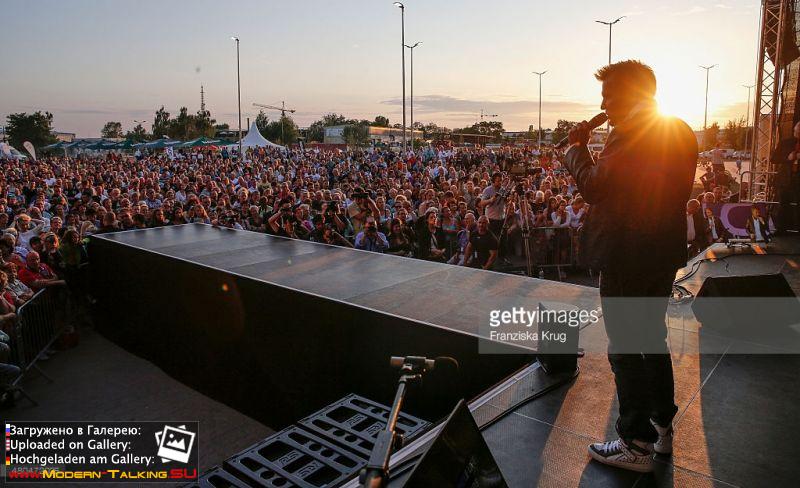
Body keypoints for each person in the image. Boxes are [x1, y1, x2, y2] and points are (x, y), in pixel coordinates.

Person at [563, 60, 697, 472]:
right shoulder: (680, 130)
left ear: (629, 94)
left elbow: (596, 188)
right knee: (651, 338)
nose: (603, 104)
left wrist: (575, 150)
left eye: (608, 96)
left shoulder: (630, 135)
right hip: (658, 254)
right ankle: (661, 430)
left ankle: (635, 441)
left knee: (624, 345)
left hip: (626, 255)